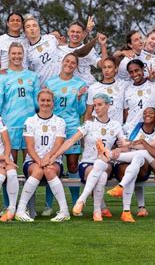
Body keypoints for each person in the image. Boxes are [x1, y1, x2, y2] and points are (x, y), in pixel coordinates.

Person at [49, 93, 124, 222]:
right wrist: (55, 155)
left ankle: (83, 200)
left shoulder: (116, 125)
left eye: (100, 105)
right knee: (102, 175)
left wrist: (119, 149)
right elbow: (71, 141)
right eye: (95, 105)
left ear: (108, 105)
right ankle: (97, 211)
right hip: (88, 163)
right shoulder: (88, 124)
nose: (97, 108)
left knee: (102, 170)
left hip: (106, 164)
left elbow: (124, 145)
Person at [107, 103, 155, 218]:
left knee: (145, 155)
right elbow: (146, 147)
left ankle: (110, 157)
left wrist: (132, 143)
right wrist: (130, 145)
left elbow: (152, 146)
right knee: (139, 161)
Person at [0, 42, 41, 214]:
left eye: (20, 53)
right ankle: (7, 205)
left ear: (23, 55)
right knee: (8, 167)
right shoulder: (2, 77)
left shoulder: (32, 77)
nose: (17, 56)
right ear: (8, 55)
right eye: (14, 54)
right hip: (9, 126)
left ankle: (27, 206)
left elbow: (36, 103)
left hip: (29, 127)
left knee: (29, 167)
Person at [15, 89, 70, 222]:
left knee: (49, 170)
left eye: (48, 100)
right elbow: (29, 146)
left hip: (54, 160)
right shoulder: (30, 121)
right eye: (42, 100)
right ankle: (20, 210)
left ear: (53, 103)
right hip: (33, 161)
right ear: (38, 102)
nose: (45, 103)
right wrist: (39, 160)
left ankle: (64, 211)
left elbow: (58, 144)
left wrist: (48, 158)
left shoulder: (59, 121)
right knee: (39, 170)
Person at [42, 53, 87, 216]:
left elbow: (81, 111)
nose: (69, 64)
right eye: (67, 61)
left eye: (73, 62)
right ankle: (48, 204)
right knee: (50, 164)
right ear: (62, 62)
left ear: (76, 66)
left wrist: (80, 98)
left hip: (71, 127)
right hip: (53, 127)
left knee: (73, 165)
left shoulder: (80, 84)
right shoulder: (50, 83)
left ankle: (76, 204)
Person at [114, 107, 155, 217]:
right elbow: (123, 144)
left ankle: (128, 208)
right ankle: (130, 210)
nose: (147, 115)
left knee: (138, 160)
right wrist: (124, 146)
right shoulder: (132, 128)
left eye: (150, 113)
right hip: (125, 162)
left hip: (143, 166)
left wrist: (134, 144)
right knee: (132, 169)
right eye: (145, 113)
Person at [123, 59, 155, 136]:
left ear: (142, 69)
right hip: (131, 131)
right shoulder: (127, 89)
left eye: (137, 70)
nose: (134, 74)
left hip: (151, 131)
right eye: (131, 72)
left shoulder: (154, 83)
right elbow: (126, 113)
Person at [57, 18, 108, 85]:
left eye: (78, 32)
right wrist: (87, 30)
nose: (75, 34)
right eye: (72, 31)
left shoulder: (88, 49)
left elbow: (103, 65)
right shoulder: (59, 49)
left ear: (82, 34)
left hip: (86, 87)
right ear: (68, 32)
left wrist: (103, 45)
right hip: (65, 88)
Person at [84, 56, 127, 124]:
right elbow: (89, 113)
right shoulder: (93, 88)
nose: (106, 70)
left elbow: (125, 111)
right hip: (98, 129)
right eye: (104, 67)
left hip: (115, 130)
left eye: (109, 67)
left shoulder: (123, 85)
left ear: (116, 69)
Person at [23, 16, 62, 86]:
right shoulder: (26, 52)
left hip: (60, 83)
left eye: (34, 26)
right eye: (28, 27)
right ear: (25, 32)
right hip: (44, 87)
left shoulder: (51, 38)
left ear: (39, 28)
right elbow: (27, 73)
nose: (32, 28)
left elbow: (66, 48)